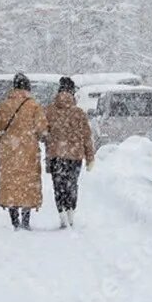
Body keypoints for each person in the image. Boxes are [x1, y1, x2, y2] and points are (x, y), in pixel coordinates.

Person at [0, 73, 48, 230]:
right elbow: (42, 130)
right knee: (28, 183)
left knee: (11, 183)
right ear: (27, 87)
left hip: (9, 151)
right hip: (29, 151)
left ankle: (14, 220)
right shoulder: (34, 106)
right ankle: (26, 220)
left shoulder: (4, 105)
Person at [44, 76, 95, 228]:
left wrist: (50, 141)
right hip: (75, 155)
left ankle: (62, 213)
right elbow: (86, 136)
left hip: (56, 155)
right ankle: (71, 212)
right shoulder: (79, 113)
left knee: (58, 186)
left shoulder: (49, 111)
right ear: (72, 92)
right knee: (71, 184)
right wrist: (90, 157)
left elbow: (43, 133)